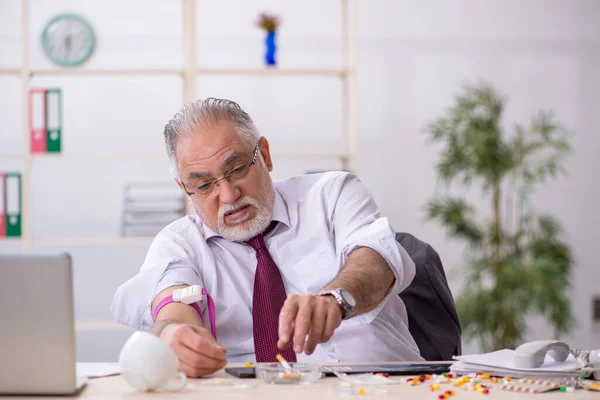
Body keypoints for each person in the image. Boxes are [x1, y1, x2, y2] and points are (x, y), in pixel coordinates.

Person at [111, 98, 423, 378]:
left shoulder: (331, 195)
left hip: (377, 385)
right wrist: (174, 336)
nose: (229, 195)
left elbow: (376, 258)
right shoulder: (179, 243)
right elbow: (172, 303)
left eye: (236, 169)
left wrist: (336, 299)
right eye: (205, 186)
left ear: (265, 155)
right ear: (185, 190)